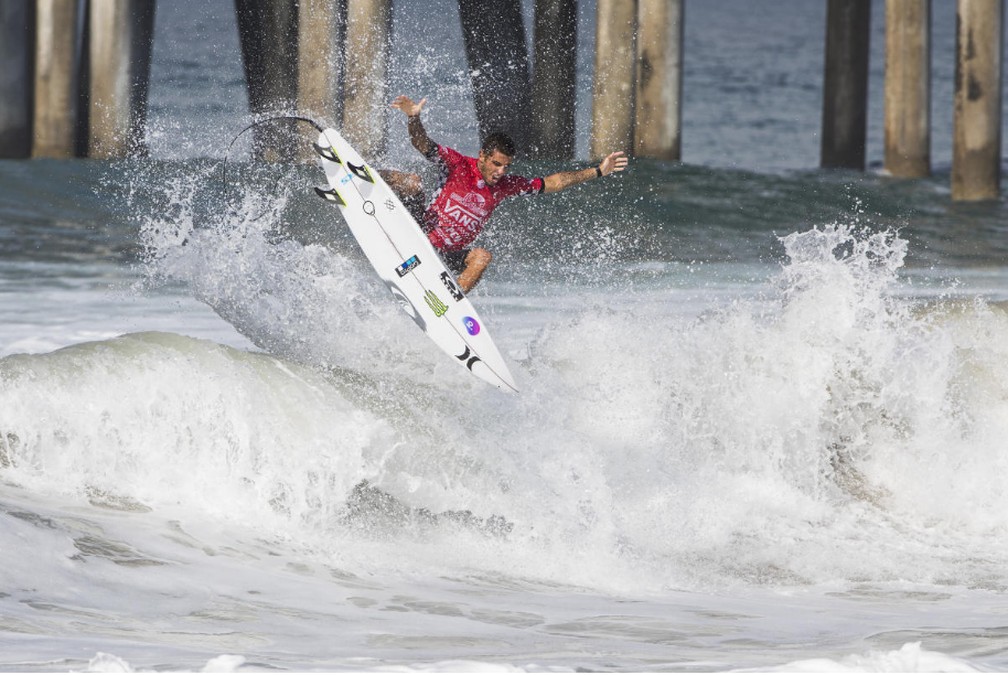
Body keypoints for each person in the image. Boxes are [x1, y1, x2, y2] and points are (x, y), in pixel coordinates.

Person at [382, 95, 629, 293]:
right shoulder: (457, 165)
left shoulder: (504, 186)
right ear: (482, 156)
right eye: (496, 164)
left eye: (506, 166)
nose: (501, 172)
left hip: (443, 256)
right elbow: (422, 143)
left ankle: (449, 300)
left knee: (481, 257)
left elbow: (553, 182)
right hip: (419, 234)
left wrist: (597, 171)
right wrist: (413, 118)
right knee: (412, 182)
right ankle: (357, 175)